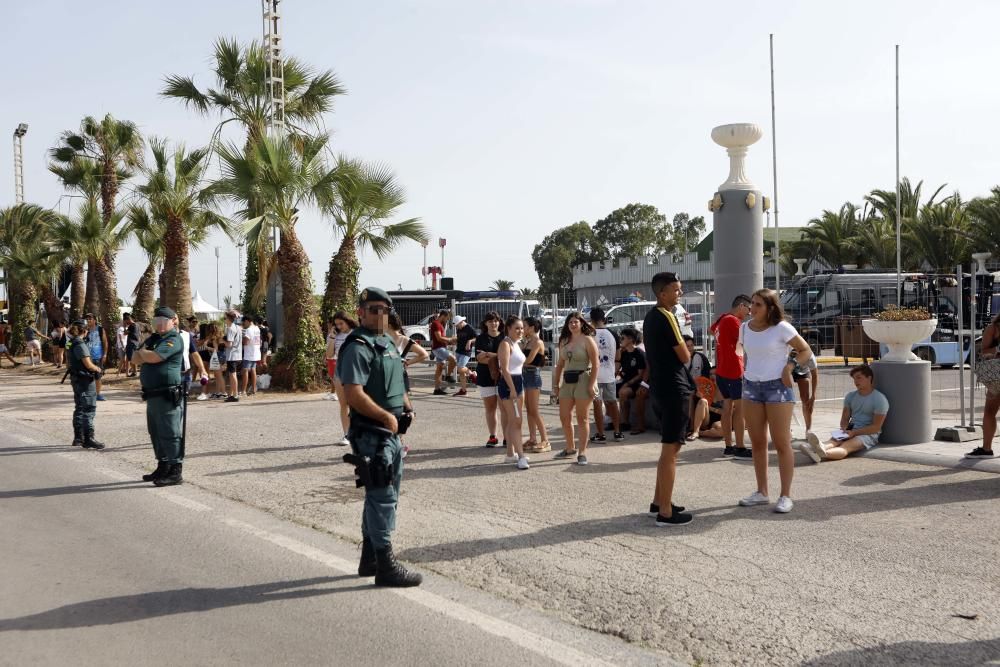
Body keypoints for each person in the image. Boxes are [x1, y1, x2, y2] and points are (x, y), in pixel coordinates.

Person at [338, 287, 421, 587]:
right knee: (382, 496)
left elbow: (398, 381)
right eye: (374, 309)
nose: (380, 314)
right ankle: (385, 565)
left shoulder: (385, 342)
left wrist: (407, 408)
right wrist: (386, 416)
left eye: (385, 309)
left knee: (381, 496)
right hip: (373, 433)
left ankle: (370, 558)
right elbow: (353, 394)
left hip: (392, 433)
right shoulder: (358, 346)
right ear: (360, 312)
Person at [737, 288, 813, 514]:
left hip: (777, 388)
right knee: (758, 443)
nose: (752, 308)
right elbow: (747, 354)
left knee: (781, 444)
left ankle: (785, 495)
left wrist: (789, 367)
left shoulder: (781, 328)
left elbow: (805, 350)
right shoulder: (744, 328)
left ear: (770, 308)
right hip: (751, 388)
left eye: (758, 304)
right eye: (752, 303)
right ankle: (762, 492)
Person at [643, 272, 694, 526]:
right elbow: (685, 356)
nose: (679, 294)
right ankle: (665, 511)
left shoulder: (650, 317)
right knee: (671, 451)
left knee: (667, 448)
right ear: (662, 293)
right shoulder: (667, 316)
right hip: (674, 389)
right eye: (676, 290)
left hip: (660, 388)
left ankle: (658, 501)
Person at [133, 306, 187, 486]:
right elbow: (134, 358)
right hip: (152, 394)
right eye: (157, 321)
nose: (160, 324)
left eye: (164, 321)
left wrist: (144, 353)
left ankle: (175, 470)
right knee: (155, 432)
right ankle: (163, 465)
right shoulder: (155, 338)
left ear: (173, 321)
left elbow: (154, 357)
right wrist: (144, 353)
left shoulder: (173, 339)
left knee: (170, 432)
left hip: (167, 394)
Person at [802, 365, 888, 463]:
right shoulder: (850, 396)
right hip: (851, 428)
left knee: (846, 447)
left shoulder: (880, 399)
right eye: (854, 378)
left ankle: (821, 454)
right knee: (833, 441)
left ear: (869, 378)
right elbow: (845, 418)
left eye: (859, 378)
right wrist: (845, 429)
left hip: (869, 433)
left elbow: (876, 427)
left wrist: (855, 433)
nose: (856, 381)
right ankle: (818, 449)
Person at [553, 312, 599, 465]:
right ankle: (570, 447)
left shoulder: (588, 340)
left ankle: (582, 452)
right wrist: (555, 385)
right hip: (567, 381)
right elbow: (559, 364)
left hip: (584, 380)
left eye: (576, 322)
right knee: (564, 416)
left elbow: (596, 363)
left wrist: (592, 384)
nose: (573, 324)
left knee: (582, 418)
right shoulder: (564, 341)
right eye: (570, 322)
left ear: (581, 323)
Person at [710, 295, 751, 459]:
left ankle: (728, 446)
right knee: (739, 411)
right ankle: (740, 447)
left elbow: (711, 329)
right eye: (748, 308)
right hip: (734, 371)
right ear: (741, 306)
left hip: (722, 371)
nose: (749, 313)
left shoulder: (721, 319)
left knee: (727, 409)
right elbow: (747, 341)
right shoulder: (733, 321)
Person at [65, 319, 105, 450]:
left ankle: (78, 438)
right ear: (85, 330)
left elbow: (68, 362)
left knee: (79, 407)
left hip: (76, 378)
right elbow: (88, 364)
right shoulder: (80, 344)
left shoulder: (70, 343)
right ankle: (88, 438)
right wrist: (98, 369)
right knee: (89, 408)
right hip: (84, 380)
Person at [497, 315, 530, 469]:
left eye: (522, 328)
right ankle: (521, 456)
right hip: (509, 384)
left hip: (518, 381)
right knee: (516, 421)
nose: (520, 331)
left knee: (515, 421)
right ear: (508, 329)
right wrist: (512, 389)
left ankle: (511, 453)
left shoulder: (516, 343)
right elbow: (504, 369)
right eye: (517, 328)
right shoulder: (505, 344)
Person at [589, 308, 624, 443]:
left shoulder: (590, 334)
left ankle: (600, 434)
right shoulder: (613, 334)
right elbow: (618, 356)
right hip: (609, 373)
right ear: (604, 319)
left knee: (597, 404)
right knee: (612, 403)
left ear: (591, 320)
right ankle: (617, 432)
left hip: (594, 375)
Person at [968, 313, 1000, 459]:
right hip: (997, 379)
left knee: (989, 412)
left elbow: (985, 350)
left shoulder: (993, 328)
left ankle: (987, 449)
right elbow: (985, 351)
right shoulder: (993, 328)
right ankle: (986, 449)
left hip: (996, 378)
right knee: (989, 412)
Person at [475, 312, 506, 447]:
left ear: (499, 322)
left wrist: (488, 355)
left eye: (496, 321)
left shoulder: (505, 338)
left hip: (503, 377)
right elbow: (479, 359)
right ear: (485, 323)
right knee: (490, 408)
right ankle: (493, 436)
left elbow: (506, 357)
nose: (493, 323)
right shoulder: (480, 338)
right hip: (485, 376)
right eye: (490, 321)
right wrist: (497, 358)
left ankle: (507, 436)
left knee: (504, 408)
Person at [327, 311, 357, 446]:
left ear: (348, 321)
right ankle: (347, 434)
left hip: (356, 370)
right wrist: (332, 338)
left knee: (356, 404)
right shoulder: (334, 335)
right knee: (343, 404)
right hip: (340, 369)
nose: (339, 327)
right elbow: (329, 355)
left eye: (341, 323)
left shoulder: (357, 333)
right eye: (337, 324)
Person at [521, 316, 550, 453]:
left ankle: (545, 440)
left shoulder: (537, 342)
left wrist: (514, 362)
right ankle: (533, 439)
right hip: (525, 375)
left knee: (534, 410)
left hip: (533, 375)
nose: (522, 329)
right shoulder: (527, 341)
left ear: (532, 328)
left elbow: (529, 360)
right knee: (529, 409)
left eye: (524, 326)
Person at [617, 328, 647, 434]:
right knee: (608, 391)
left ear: (630, 339)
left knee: (623, 392)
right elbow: (618, 368)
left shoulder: (638, 353)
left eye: (622, 338)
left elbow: (640, 374)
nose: (620, 340)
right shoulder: (624, 353)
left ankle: (625, 422)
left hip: (636, 383)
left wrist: (627, 383)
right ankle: (613, 420)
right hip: (625, 381)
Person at [791, 349, 819, 436]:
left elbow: (814, 375)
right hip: (786, 370)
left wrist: (813, 395)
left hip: (803, 372)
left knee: (806, 400)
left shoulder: (810, 356)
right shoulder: (785, 353)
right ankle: (786, 428)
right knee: (785, 400)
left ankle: (808, 430)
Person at [430, 309, 457, 395]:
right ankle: (448, 376)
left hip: (439, 348)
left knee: (439, 369)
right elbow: (439, 338)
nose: (447, 320)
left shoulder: (439, 324)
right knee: (453, 359)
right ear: (443, 316)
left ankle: (437, 389)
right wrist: (450, 339)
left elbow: (441, 338)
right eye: (447, 318)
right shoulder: (436, 324)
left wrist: (449, 341)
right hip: (439, 348)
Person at [84, 314, 108, 400]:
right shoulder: (85, 330)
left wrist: (104, 354)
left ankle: (98, 394)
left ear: (94, 320)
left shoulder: (100, 329)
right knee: (87, 377)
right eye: (87, 319)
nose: (88, 320)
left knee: (98, 377)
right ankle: (88, 394)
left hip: (98, 357)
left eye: (90, 319)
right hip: (87, 358)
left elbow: (105, 343)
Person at [221, 310, 243, 402]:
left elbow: (229, 344)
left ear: (228, 319)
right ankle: (233, 394)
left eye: (225, 318)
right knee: (231, 374)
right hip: (237, 354)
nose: (224, 320)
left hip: (232, 355)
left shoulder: (230, 329)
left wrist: (222, 341)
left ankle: (235, 395)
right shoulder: (237, 327)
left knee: (233, 374)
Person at [453, 316, 477, 396]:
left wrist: (470, 341)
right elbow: (459, 338)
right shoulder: (459, 328)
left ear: (461, 322)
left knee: (460, 367)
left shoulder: (469, 328)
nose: (456, 327)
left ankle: (472, 374)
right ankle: (463, 390)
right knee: (461, 371)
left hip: (466, 352)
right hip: (458, 351)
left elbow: (477, 337)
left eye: (457, 325)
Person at [197, 322, 221, 401]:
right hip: (207, 356)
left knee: (203, 375)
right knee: (207, 375)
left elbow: (198, 345)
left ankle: (204, 393)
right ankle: (207, 392)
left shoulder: (206, 338)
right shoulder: (209, 337)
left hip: (204, 356)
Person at [241, 315, 262, 397]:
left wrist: (241, 340)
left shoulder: (249, 330)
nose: (243, 324)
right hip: (256, 353)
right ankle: (253, 389)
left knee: (245, 371)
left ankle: (243, 391)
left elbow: (245, 342)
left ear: (247, 321)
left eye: (244, 322)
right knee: (253, 370)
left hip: (249, 353)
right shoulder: (257, 328)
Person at [123, 313, 141, 377]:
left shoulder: (131, 326)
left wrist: (125, 327)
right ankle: (135, 372)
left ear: (128, 319)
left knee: (131, 359)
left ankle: (134, 372)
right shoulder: (137, 325)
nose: (125, 322)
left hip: (131, 343)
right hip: (136, 343)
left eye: (125, 321)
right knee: (133, 358)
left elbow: (125, 333)